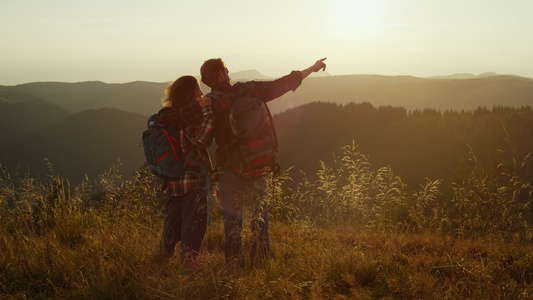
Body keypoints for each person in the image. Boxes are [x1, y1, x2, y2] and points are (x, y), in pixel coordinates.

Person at [158, 58, 327, 267]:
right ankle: (260, 266)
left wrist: (165, 116)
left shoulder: (208, 102)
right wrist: (312, 67)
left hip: (230, 169)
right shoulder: (251, 90)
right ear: (221, 73)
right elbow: (284, 83)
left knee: (232, 224)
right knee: (259, 219)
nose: (228, 73)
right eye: (226, 70)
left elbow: (172, 117)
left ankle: (235, 269)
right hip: (259, 164)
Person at [157, 75, 214, 270]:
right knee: (195, 220)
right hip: (193, 179)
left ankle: (164, 257)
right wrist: (207, 111)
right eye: (197, 89)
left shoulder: (170, 115)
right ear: (189, 93)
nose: (200, 92)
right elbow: (201, 140)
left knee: (173, 220)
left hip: (173, 180)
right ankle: (190, 261)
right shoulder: (186, 120)